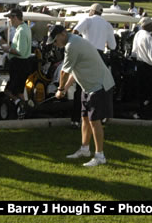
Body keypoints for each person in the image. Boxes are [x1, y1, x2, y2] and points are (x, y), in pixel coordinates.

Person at [49, 25, 115, 167]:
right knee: (85, 118)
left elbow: (64, 72)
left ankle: (100, 156)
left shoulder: (72, 45)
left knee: (95, 120)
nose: (55, 43)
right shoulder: (73, 42)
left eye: (55, 40)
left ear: (63, 34)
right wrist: (66, 88)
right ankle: (85, 149)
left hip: (100, 85)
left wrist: (60, 89)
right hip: (88, 86)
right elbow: (74, 69)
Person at [71, 3, 116, 127]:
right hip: (100, 56)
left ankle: (77, 119)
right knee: (99, 89)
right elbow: (113, 46)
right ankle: (98, 118)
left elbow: (75, 32)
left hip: (86, 53)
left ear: (91, 11)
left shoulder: (87, 19)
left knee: (81, 87)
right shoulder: (107, 25)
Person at [131, 16, 152, 118]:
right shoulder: (148, 37)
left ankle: (140, 112)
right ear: (148, 26)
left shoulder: (138, 34)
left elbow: (134, 52)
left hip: (140, 66)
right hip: (149, 68)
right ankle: (151, 113)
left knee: (142, 92)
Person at [2, 8, 32, 118]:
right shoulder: (25, 28)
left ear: (15, 18)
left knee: (8, 91)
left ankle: (19, 104)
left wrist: (8, 50)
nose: (10, 21)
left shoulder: (22, 30)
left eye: (10, 18)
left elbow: (21, 52)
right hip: (24, 64)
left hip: (19, 64)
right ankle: (23, 112)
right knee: (19, 91)